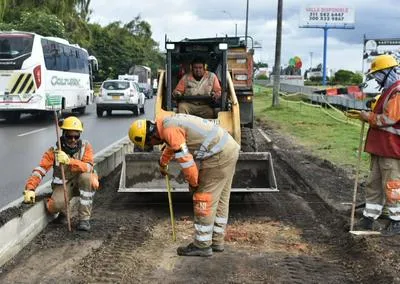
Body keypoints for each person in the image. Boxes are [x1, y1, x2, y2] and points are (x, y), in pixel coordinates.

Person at [128, 111, 240, 256]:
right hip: (229, 148)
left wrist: (194, 185)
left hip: (218, 156)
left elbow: (188, 164)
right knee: (221, 200)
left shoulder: (169, 131)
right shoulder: (167, 123)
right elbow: (173, 145)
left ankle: (202, 245)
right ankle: (217, 241)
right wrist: (163, 162)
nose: (153, 145)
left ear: (151, 136)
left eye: (149, 143)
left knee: (203, 199)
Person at [23, 116, 99, 231]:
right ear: (63, 134)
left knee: (87, 178)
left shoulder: (86, 146)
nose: (73, 140)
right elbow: (40, 170)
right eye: (69, 136)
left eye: (76, 136)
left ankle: (84, 219)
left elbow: (88, 167)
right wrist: (30, 188)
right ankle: (63, 212)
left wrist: (69, 161)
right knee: (54, 206)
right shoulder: (54, 151)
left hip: (82, 183)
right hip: (64, 185)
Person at [356, 54, 400, 235]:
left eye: (378, 74)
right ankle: (369, 216)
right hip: (380, 147)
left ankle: (396, 220)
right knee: (373, 182)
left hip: (392, 148)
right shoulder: (389, 91)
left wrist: (368, 117)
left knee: (392, 184)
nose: (376, 78)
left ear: (388, 72)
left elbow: (389, 119)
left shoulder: (397, 92)